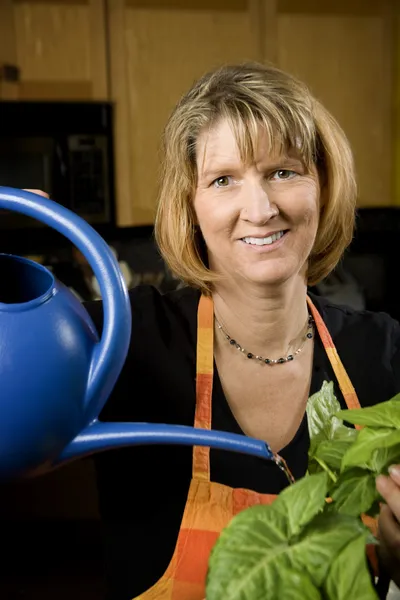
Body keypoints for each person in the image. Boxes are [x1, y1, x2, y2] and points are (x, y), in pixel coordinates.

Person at [28, 62, 400, 599]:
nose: (261, 209)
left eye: (283, 172)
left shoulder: (384, 353)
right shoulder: (122, 339)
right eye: (224, 180)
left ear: (322, 185)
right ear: (191, 205)